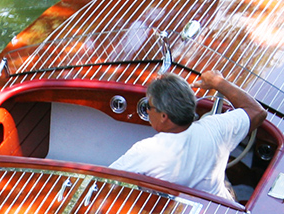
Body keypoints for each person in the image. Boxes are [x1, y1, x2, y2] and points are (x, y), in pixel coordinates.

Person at [109, 71, 267, 201]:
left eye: (149, 106)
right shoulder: (216, 128)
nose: (148, 111)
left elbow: (106, 182)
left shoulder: (145, 150)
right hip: (220, 209)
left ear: (164, 116)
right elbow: (257, 112)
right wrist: (218, 82)